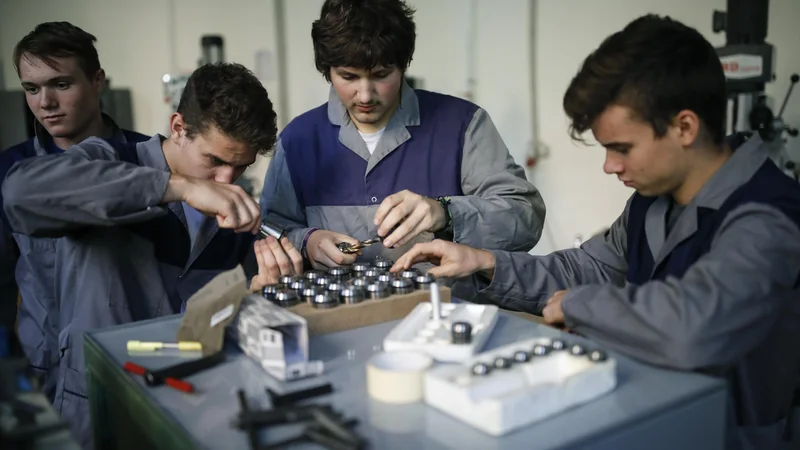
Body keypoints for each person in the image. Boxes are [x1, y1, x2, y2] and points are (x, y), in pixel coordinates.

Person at [391, 15, 800, 450]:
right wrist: (485, 263)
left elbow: (692, 327)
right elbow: (586, 267)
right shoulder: (652, 200)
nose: (610, 166)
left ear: (684, 127)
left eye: (622, 148)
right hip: (651, 417)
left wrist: (584, 306)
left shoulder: (770, 215)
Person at [2, 62, 288, 448]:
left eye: (241, 166)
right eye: (215, 161)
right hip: (98, 405)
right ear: (178, 128)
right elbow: (22, 193)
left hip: (187, 406)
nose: (227, 180)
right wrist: (178, 187)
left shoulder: (233, 218)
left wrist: (257, 294)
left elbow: (209, 325)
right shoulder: (110, 160)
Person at [257, 0, 545, 284]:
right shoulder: (298, 139)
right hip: (336, 321)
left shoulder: (464, 125)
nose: (366, 95)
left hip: (443, 316)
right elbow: (267, 229)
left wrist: (445, 213)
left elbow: (525, 219)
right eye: (348, 76)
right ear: (327, 70)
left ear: (403, 64)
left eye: (381, 75)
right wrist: (307, 240)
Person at [0, 21, 149, 400]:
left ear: (98, 80)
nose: (45, 103)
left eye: (61, 84)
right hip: (42, 376)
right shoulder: (11, 173)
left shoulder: (146, 160)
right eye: (32, 89)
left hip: (137, 366)